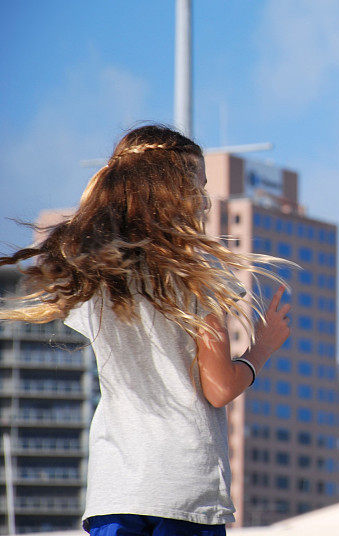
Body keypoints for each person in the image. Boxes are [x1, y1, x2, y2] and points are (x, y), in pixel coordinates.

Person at [0, 125, 291, 535]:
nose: (205, 198)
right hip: (184, 493)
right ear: (176, 192)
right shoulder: (196, 276)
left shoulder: (97, 277)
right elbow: (219, 388)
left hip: (114, 491)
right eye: (199, 185)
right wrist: (260, 350)